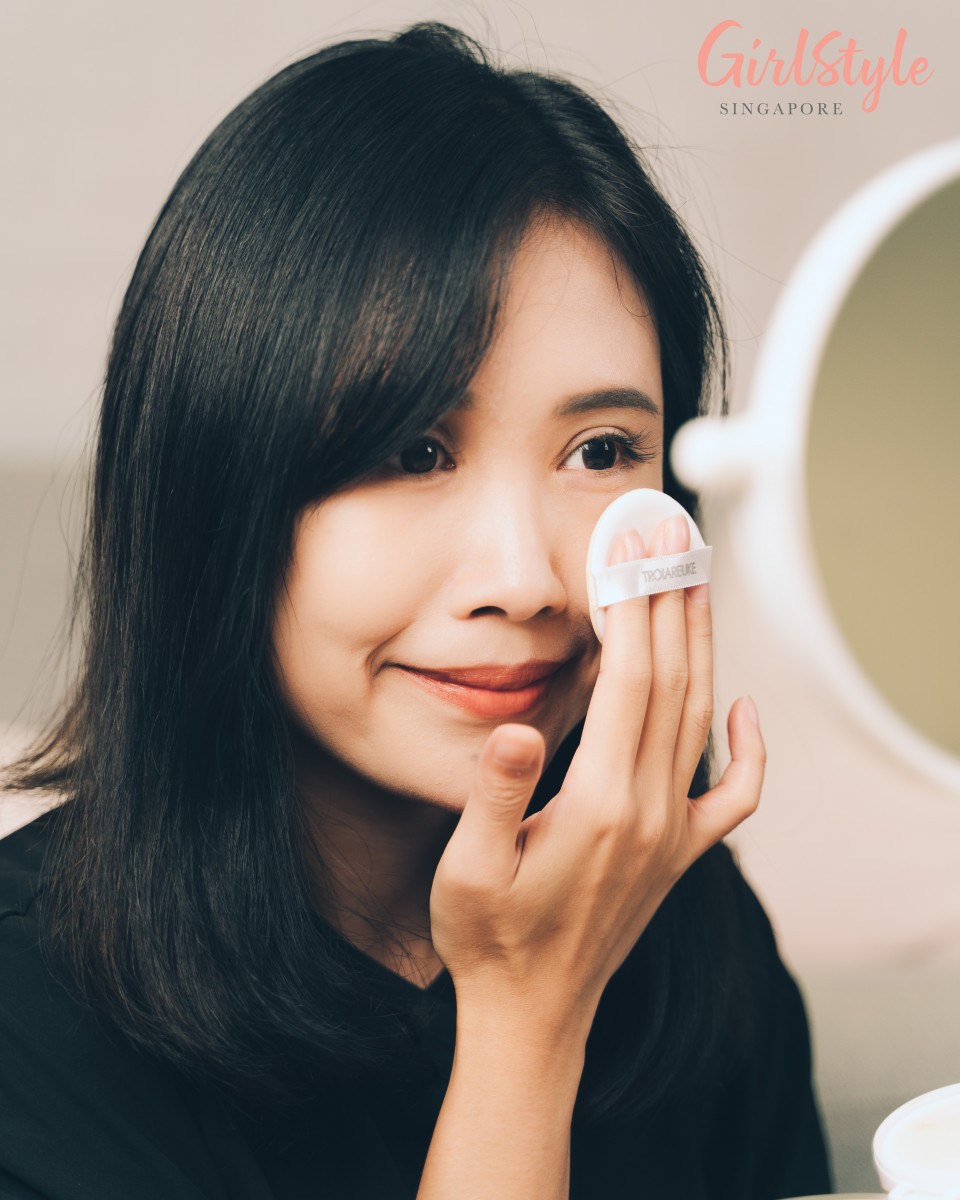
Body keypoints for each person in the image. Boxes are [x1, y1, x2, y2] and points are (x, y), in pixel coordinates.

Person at [0, 20, 832, 1200]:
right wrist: (528, 1024)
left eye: (601, 449)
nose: (529, 579)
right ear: (216, 494)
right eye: (411, 450)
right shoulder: (28, 1025)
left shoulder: (682, 930)